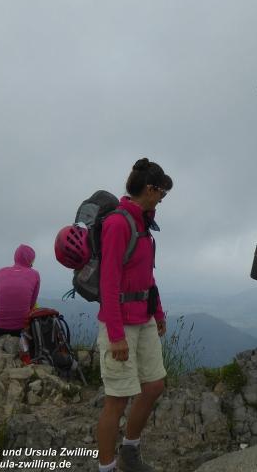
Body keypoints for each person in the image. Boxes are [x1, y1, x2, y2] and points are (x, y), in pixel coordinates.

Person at [96, 158, 171, 472]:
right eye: (162, 193)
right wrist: (115, 335)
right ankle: (106, 467)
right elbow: (108, 282)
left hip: (144, 319)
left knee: (154, 385)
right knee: (117, 399)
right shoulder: (117, 223)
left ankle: (129, 450)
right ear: (151, 190)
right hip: (121, 324)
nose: (163, 200)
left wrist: (158, 312)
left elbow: (147, 277)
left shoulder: (143, 225)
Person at [0, 244, 40, 339]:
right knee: (35, 306)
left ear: (15, 257)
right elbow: (31, 305)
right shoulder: (35, 275)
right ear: (31, 260)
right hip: (22, 332)